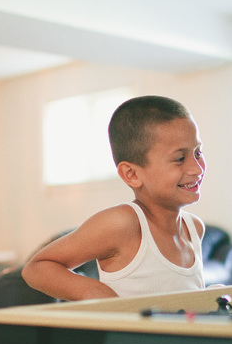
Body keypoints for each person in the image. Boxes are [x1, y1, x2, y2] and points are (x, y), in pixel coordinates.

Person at [22, 95, 206, 300]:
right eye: (180, 158)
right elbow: (37, 268)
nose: (196, 168)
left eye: (198, 152)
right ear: (132, 174)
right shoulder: (123, 224)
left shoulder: (194, 228)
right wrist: (95, 292)